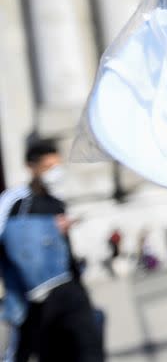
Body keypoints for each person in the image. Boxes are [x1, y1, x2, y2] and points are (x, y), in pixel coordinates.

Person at [0, 138, 104, 362]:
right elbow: (9, 240)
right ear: (31, 167)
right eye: (48, 167)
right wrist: (48, 228)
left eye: (57, 166)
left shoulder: (57, 202)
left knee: (89, 349)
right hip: (37, 298)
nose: (54, 173)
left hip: (71, 288)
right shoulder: (15, 202)